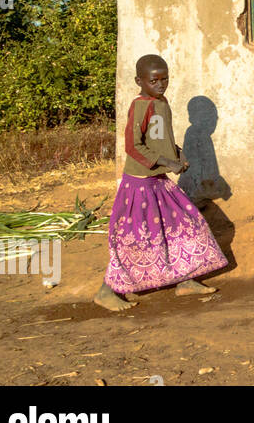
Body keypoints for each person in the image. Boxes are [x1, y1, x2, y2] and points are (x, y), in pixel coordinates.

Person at [93, 54, 228, 311]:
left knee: (186, 224)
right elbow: (133, 146)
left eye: (164, 79)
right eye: (154, 80)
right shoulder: (141, 105)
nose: (160, 84)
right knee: (136, 238)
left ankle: (185, 280)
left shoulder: (162, 103)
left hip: (158, 179)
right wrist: (167, 161)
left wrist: (178, 154)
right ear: (139, 81)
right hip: (140, 182)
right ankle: (106, 290)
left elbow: (161, 138)